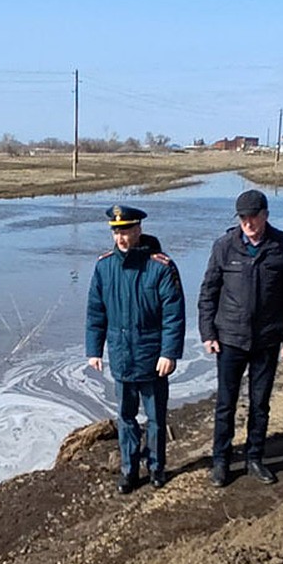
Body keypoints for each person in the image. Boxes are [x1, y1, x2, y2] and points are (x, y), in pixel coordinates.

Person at [197, 189, 283, 486]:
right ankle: (221, 460)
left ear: (265, 215)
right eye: (243, 217)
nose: (248, 223)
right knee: (225, 404)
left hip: (267, 340)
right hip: (230, 338)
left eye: (253, 216)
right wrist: (208, 332)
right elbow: (208, 293)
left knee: (260, 403)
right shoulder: (224, 247)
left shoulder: (282, 247)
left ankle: (255, 457)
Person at [86, 204, 186, 494]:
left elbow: (173, 314)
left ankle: (156, 468)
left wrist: (169, 353)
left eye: (126, 230)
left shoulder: (161, 267)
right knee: (125, 417)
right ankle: (129, 470)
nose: (121, 237)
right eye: (116, 231)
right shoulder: (104, 266)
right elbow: (96, 311)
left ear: (138, 229)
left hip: (153, 357)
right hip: (121, 354)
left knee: (155, 418)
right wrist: (94, 350)